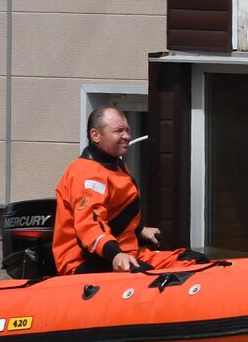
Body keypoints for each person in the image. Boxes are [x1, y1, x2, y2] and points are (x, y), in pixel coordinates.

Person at [52, 105, 198, 275]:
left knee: (193, 260)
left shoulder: (116, 166)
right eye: (119, 131)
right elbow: (90, 225)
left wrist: (139, 230)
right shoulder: (86, 174)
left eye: (128, 130)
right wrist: (115, 255)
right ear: (95, 135)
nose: (127, 136)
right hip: (85, 260)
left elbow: (114, 216)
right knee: (149, 276)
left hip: (126, 252)